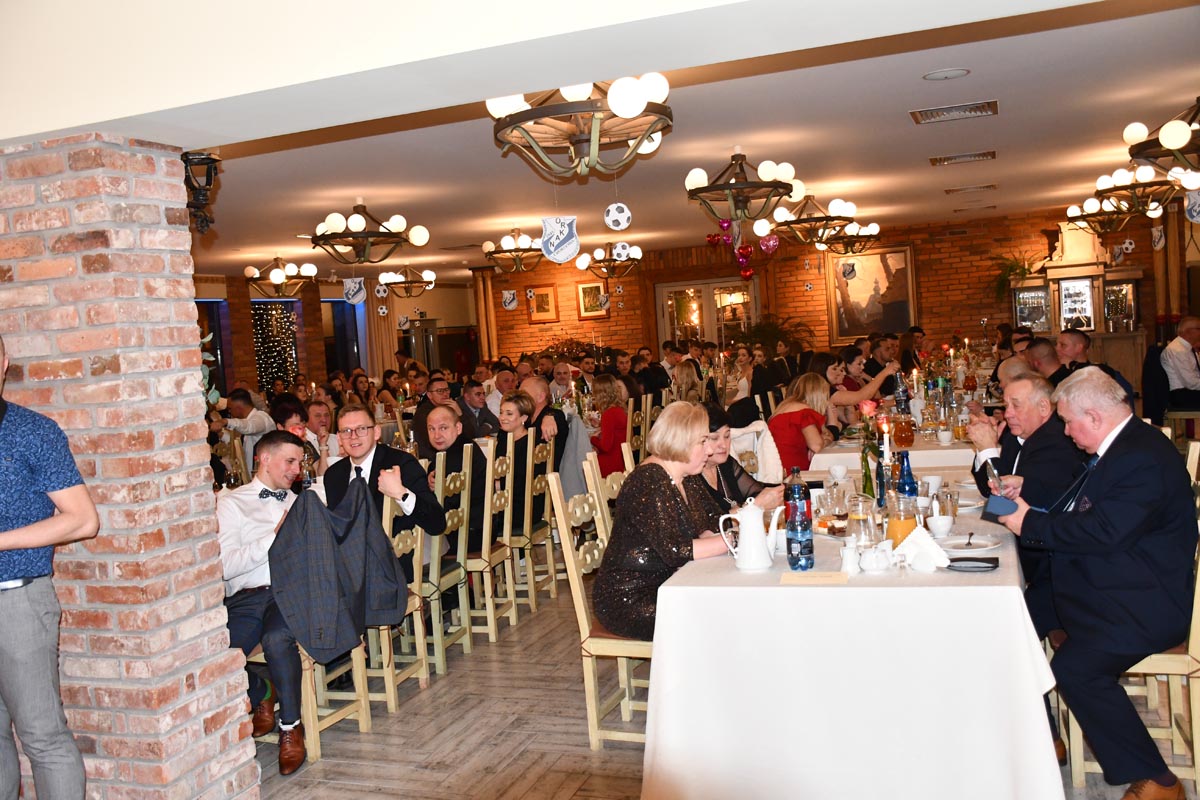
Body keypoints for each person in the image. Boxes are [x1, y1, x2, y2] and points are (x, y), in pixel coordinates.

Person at [997, 370, 1197, 800]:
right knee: (1015, 616)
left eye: (1069, 422)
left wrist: (1030, 524)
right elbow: (1082, 506)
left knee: (1075, 668)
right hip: (1111, 575)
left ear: (1094, 416)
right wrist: (1029, 495)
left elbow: (1105, 531)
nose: (1067, 432)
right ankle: (1043, 734)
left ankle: (1160, 782)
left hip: (1143, 599)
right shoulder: (1123, 445)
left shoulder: (1142, 457)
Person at [0, 335, 99, 798]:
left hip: (16, 600)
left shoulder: (31, 431)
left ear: (3, 361)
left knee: (42, 736)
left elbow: (83, 520)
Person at [591, 402, 728, 640]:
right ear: (681, 441)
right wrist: (732, 540)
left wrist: (720, 533)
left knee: (728, 602)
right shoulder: (649, 481)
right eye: (703, 441)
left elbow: (715, 519)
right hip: (631, 598)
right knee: (717, 615)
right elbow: (677, 551)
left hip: (671, 583)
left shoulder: (686, 476)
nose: (709, 450)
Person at [217, 430, 309, 774]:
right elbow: (226, 566)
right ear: (265, 459)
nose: (297, 470)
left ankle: (291, 727)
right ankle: (262, 692)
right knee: (221, 652)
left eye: (299, 462)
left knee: (277, 638)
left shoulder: (300, 502)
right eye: (290, 461)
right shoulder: (232, 503)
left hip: (290, 593)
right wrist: (274, 538)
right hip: (248, 596)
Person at [966, 375, 1086, 636]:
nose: (1007, 413)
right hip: (1027, 546)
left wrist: (988, 448)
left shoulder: (1057, 443)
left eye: (1016, 405)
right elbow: (990, 491)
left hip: (1047, 566)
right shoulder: (1019, 435)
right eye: (1006, 405)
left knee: (991, 619)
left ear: (1043, 407)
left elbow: (1002, 505)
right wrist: (986, 451)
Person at [323, 405, 445, 582]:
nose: (353, 436)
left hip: (392, 567)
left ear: (376, 432)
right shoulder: (334, 475)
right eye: (346, 431)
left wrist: (401, 493)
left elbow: (437, 523)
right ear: (339, 438)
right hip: (351, 566)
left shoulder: (401, 463)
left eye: (361, 429)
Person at [424, 405, 489, 552]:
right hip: (481, 529)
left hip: (466, 535)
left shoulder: (453, 457)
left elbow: (439, 506)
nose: (436, 435)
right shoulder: (466, 446)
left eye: (443, 428)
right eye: (431, 429)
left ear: (458, 428)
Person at [697, 403, 783, 513]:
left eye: (727, 436)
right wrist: (752, 507)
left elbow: (756, 492)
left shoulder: (726, 463)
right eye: (714, 438)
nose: (723, 445)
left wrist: (783, 488)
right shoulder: (691, 477)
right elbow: (710, 522)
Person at [768, 374, 833, 472]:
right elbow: (816, 446)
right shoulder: (804, 412)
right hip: (793, 471)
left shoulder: (784, 407)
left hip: (775, 468)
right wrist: (826, 441)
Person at [811, 351, 897, 425]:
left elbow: (849, 421)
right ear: (822, 369)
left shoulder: (833, 388)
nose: (840, 373)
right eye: (834, 369)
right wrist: (885, 372)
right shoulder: (823, 390)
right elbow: (861, 397)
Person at [212, 387, 274, 467]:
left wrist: (226, 421)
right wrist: (220, 433)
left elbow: (250, 427)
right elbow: (239, 446)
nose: (229, 412)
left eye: (230, 409)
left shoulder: (262, 418)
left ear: (239, 408)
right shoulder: (245, 423)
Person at [520, 377, 568, 470]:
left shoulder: (554, 417)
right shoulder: (526, 419)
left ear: (541, 397)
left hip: (545, 475)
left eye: (523, 393)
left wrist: (551, 415)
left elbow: (558, 415)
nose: (518, 397)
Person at [589, 375, 629, 476]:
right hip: (621, 459)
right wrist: (601, 425)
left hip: (610, 464)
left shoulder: (609, 414)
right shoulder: (620, 409)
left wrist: (592, 438)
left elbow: (605, 447)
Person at [413, 376, 458, 461]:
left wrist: (459, 413)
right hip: (432, 458)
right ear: (429, 395)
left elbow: (470, 434)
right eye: (440, 391)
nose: (445, 394)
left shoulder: (450, 407)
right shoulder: (426, 413)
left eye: (446, 390)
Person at [1161, 316, 1200, 409]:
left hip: (1188, 391)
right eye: (1199, 329)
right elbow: (1190, 383)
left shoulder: (1186, 347)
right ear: (1188, 331)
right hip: (1181, 394)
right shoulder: (1178, 350)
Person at [304, 398, 340, 465]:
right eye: (318, 416)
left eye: (326, 415)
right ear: (306, 421)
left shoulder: (337, 439)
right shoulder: (303, 442)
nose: (324, 420)